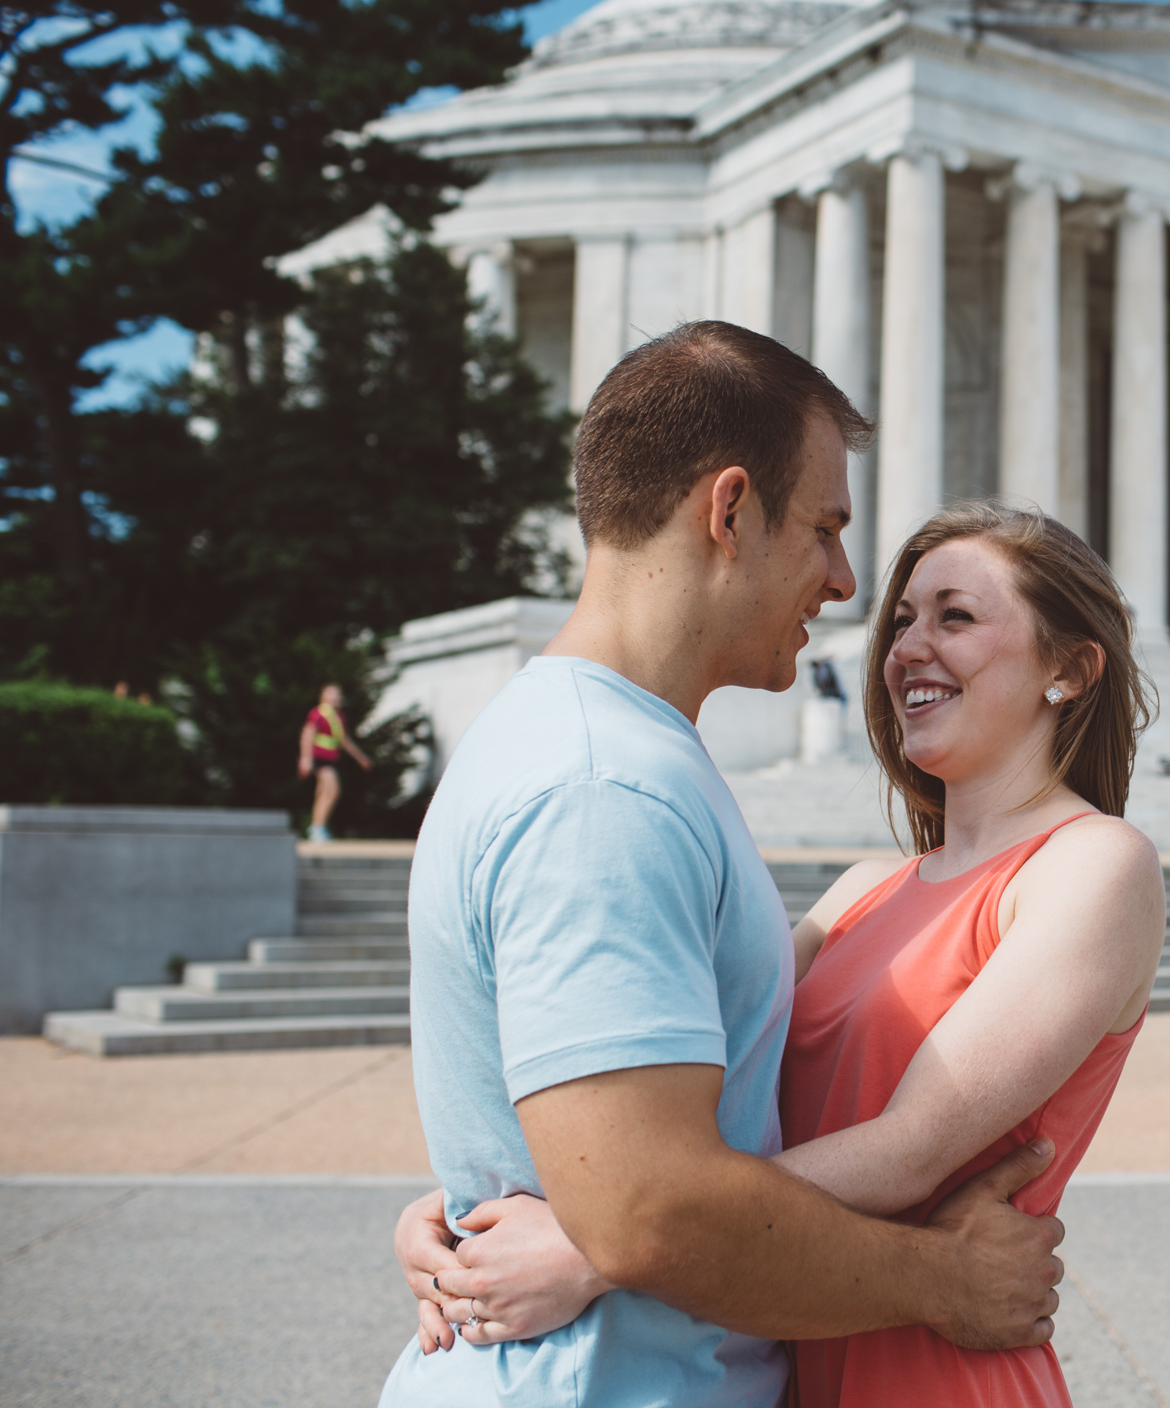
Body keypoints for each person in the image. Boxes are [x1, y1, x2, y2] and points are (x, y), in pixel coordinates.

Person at [375, 325, 1074, 1408]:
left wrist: (475, 1202)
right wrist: (948, 1280)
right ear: (731, 510)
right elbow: (649, 1212)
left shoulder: (600, 750)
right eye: (825, 529)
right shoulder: (602, 788)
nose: (845, 582)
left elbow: (615, 1148)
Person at [298, 683, 373, 842]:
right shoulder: (318, 714)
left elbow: (344, 741)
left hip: (329, 759)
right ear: (323, 696)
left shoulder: (338, 717)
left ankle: (317, 826)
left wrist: (361, 758)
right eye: (331, 694)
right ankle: (317, 828)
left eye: (338, 694)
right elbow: (307, 735)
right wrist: (306, 758)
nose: (335, 698)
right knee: (332, 790)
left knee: (322, 792)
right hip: (320, 758)